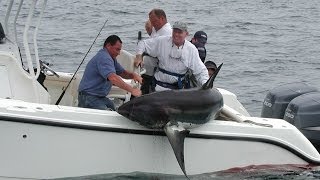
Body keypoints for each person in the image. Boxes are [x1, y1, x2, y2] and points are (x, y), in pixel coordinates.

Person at [135, 21, 209, 91]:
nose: (176, 34)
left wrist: (206, 85)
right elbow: (143, 44)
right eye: (175, 31)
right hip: (158, 87)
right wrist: (139, 56)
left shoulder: (191, 49)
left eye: (180, 32)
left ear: (186, 34)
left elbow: (201, 71)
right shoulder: (162, 41)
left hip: (178, 90)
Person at [78, 35, 142, 111]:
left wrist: (134, 75)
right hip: (88, 97)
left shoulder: (111, 58)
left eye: (119, 50)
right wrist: (132, 90)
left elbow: (123, 73)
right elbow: (113, 78)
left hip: (99, 97)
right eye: (117, 49)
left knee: (115, 110)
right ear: (108, 45)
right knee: (109, 115)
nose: (119, 53)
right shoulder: (104, 58)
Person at [137, 9, 172, 94]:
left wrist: (140, 56)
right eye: (151, 22)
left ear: (162, 19)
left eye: (154, 21)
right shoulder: (157, 29)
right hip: (146, 68)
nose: (153, 24)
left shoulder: (166, 32)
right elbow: (149, 26)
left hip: (154, 70)